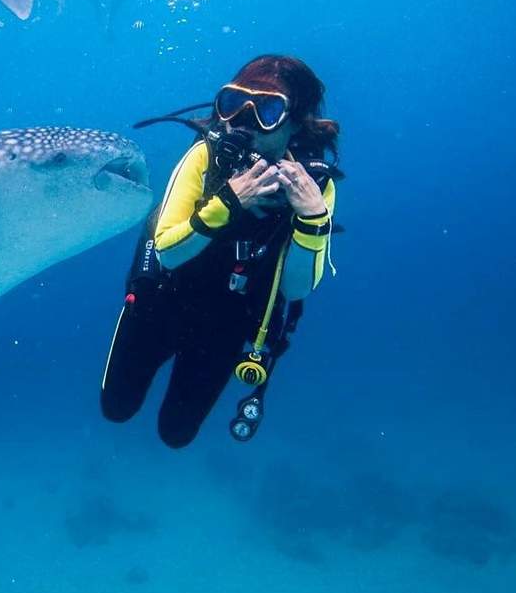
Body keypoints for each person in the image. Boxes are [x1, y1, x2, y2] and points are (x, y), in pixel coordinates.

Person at [101, 54, 341, 446]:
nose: (242, 122)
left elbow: (295, 290)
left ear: (294, 123)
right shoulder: (204, 156)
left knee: (176, 434)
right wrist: (229, 201)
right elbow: (169, 253)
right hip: (160, 303)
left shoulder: (313, 185)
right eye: (233, 104)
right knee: (115, 409)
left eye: (267, 109)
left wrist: (312, 218)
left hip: (228, 323)